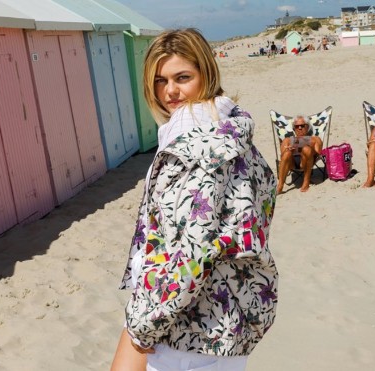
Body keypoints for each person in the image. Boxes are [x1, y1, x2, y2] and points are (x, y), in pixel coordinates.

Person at [111, 28, 279, 371]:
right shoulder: (232, 132)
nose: (170, 91)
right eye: (160, 81)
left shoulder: (198, 147)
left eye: (182, 77)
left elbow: (192, 251)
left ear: (207, 73)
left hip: (190, 326)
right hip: (221, 317)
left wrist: (143, 326)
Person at [276, 115, 323, 193]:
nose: (300, 128)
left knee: (306, 149)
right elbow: (283, 156)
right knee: (287, 153)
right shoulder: (287, 140)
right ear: (294, 128)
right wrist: (290, 149)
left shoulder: (315, 139)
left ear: (307, 127)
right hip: (292, 163)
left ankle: (306, 181)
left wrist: (308, 147)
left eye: (302, 126)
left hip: (305, 162)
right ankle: (280, 185)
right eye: (297, 126)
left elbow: (319, 154)